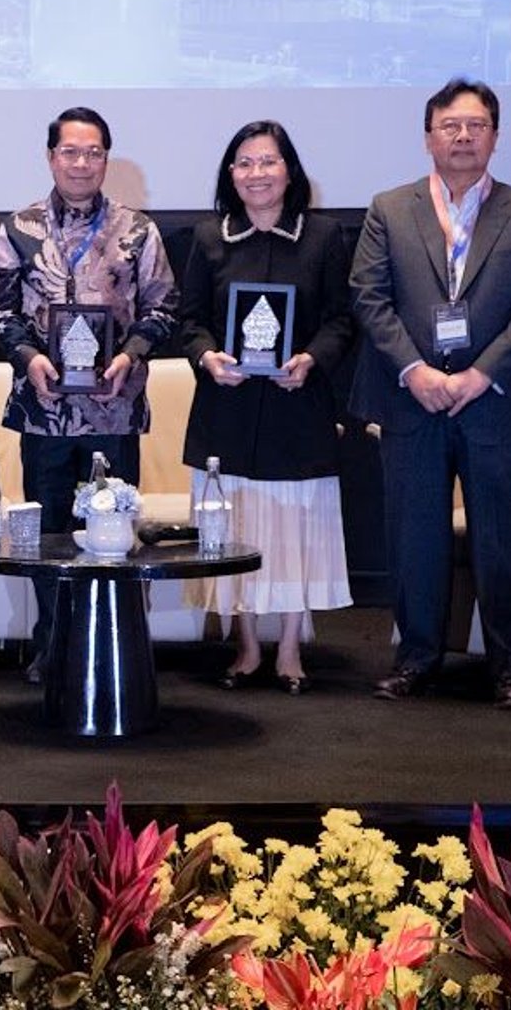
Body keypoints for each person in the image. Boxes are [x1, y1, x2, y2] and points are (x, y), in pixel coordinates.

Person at [351, 78, 511, 711]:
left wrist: (481, 374)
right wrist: (416, 370)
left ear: (495, 137)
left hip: (496, 402)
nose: (463, 136)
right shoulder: (390, 209)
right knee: (414, 538)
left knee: (502, 540)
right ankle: (416, 659)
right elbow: (369, 295)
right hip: (412, 400)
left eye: (476, 126)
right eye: (450, 126)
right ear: (428, 138)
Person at [0, 106, 178, 682]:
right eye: (70, 151)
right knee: (47, 541)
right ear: (50, 158)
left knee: (112, 537)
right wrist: (29, 356)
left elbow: (164, 307)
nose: (81, 163)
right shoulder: (18, 230)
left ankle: (111, 649)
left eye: (93, 152)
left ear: (105, 159)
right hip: (43, 412)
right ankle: (52, 648)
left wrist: (130, 353)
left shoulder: (138, 231)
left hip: (112, 410)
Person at [173, 120, 355, 694]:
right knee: (236, 529)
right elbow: (189, 320)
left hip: (296, 409)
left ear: (290, 171)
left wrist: (309, 359)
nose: (257, 174)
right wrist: (206, 358)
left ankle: (291, 649)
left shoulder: (323, 237)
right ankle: (247, 647)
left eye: (268, 162)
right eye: (245, 163)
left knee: (294, 530)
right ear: (231, 175)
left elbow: (342, 319)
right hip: (225, 411)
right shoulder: (208, 238)